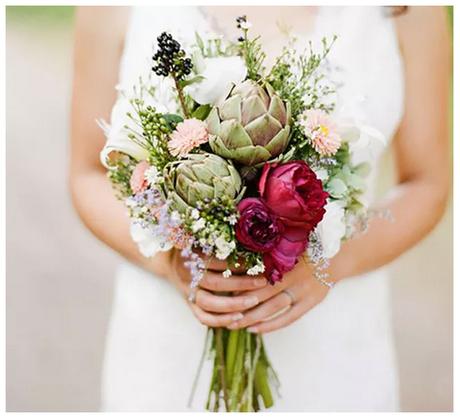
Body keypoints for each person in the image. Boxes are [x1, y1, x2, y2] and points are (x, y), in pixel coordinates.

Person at [70, 6, 451, 412]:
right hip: (164, 354)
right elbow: (86, 174)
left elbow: (427, 184)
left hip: (334, 356)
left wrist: (332, 265)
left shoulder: (412, 11)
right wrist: (170, 261)